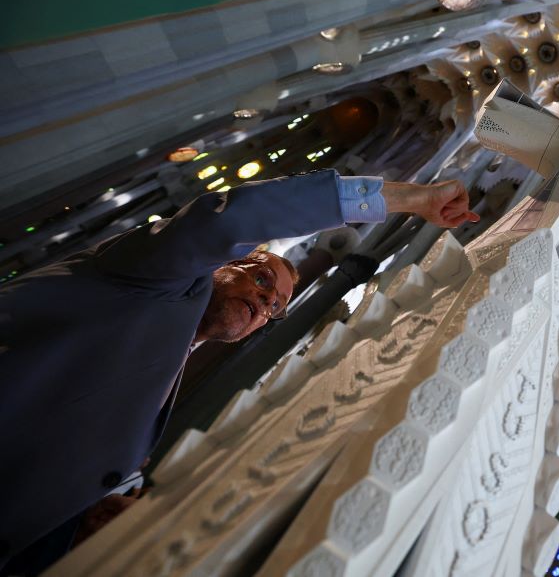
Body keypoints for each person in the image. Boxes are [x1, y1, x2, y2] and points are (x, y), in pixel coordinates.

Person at [0, 169, 479, 572]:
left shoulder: (174, 357)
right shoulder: (154, 277)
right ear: (224, 263)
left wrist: (107, 499)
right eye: (261, 278)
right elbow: (227, 220)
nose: (262, 301)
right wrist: (411, 198)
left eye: (273, 307)